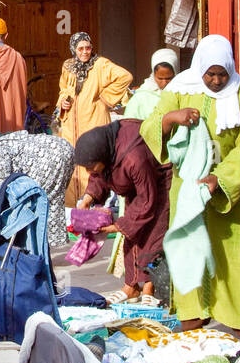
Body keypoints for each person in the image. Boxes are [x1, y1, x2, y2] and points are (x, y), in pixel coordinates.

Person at [142, 35, 240, 344]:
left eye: (221, 75)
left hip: (234, 191)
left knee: (238, 255)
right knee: (190, 250)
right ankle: (192, 316)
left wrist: (219, 179)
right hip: (188, 187)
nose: (214, 81)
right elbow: (151, 125)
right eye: (210, 74)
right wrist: (173, 117)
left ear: (230, 70)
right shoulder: (179, 89)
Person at [74, 119, 171, 302]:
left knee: (152, 240)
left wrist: (118, 225)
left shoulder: (134, 158)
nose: (88, 171)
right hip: (137, 187)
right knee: (131, 239)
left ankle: (150, 288)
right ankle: (131, 286)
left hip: (157, 186)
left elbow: (146, 200)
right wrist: (88, 198)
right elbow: (100, 174)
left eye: (90, 166)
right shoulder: (106, 149)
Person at [0, 129, 74, 249]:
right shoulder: (10, 141)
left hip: (51, 158)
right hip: (64, 149)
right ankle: (45, 246)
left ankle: (37, 250)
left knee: (40, 204)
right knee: (51, 202)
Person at [54, 32, 133, 205]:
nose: (85, 52)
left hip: (93, 122)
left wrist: (105, 98)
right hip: (71, 126)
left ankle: (93, 203)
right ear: (73, 49)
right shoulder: (68, 66)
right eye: (80, 48)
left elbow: (125, 77)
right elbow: (63, 89)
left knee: (93, 163)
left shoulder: (100, 65)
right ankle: (73, 208)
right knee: (72, 164)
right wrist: (63, 103)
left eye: (88, 48)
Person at [123, 47, 180, 121]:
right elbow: (129, 125)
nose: (164, 83)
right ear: (153, 75)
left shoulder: (183, 93)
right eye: (160, 78)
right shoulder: (140, 98)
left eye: (169, 78)